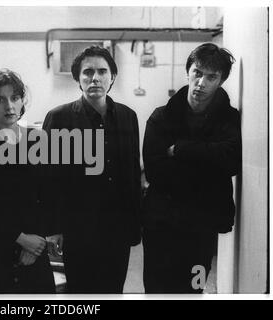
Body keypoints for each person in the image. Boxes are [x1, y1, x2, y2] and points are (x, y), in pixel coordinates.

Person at [142, 43, 241, 293]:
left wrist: (181, 149)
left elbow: (231, 161)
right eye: (197, 73)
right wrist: (208, 162)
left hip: (201, 226)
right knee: (156, 288)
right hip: (161, 223)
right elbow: (155, 171)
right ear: (188, 71)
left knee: (194, 288)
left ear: (221, 81)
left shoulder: (228, 118)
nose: (201, 83)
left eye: (211, 77)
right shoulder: (161, 117)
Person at [42, 46, 141, 293]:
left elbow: (131, 174)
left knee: (113, 289)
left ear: (112, 77)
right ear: (77, 79)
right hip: (77, 228)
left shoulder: (128, 117)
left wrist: (134, 225)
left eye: (102, 71)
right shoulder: (59, 118)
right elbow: (49, 179)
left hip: (117, 227)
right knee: (81, 291)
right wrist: (53, 229)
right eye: (87, 72)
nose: (94, 78)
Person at [0, 69, 55, 293]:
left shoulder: (37, 141)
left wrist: (36, 242)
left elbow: (48, 196)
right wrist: (21, 238)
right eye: (0, 100)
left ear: (22, 100)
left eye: (14, 98)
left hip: (34, 247)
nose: (9, 106)